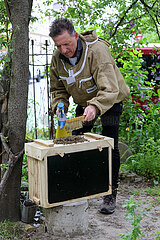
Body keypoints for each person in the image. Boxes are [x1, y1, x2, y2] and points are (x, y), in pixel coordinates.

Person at [49, 18, 130, 214]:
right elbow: (58, 88)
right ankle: (78, 188)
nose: (64, 50)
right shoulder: (57, 57)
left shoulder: (97, 51)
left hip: (110, 100)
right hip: (84, 104)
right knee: (75, 142)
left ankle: (110, 195)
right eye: (59, 45)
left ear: (75, 36)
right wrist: (59, 105)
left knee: (110, 144)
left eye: (67, 43)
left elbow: (110, 88)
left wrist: (95, 106)